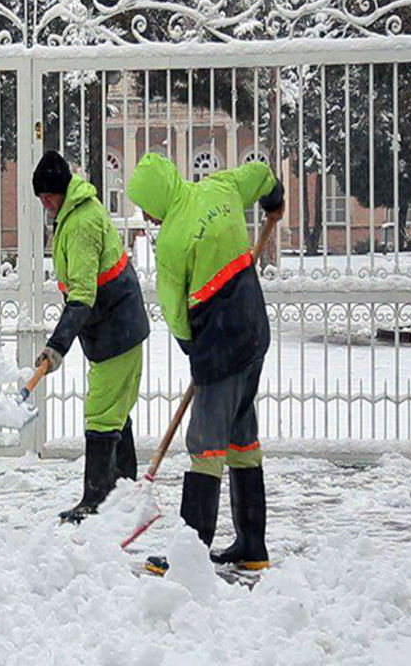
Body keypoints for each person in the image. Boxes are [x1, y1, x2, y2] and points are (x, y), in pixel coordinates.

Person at [126, 153, 284, 574]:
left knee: (206, 444)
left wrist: (192, 351)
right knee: (241, 435)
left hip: (220, 346)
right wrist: (274, 199)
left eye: (146, 206)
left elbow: (176, 313)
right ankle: (253, 545)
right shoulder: (220, 186)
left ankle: (189, 556)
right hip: (254, 332)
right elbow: (262, 175)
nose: (147, 216)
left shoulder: (174, 241)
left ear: (156, 198)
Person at [31, 151, 150, 523]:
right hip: (117, 326)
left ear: (63, 189)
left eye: (48, 196)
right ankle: (124, 492)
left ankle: (96, 501)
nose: (45, 203)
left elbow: (82, 294)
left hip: (116, 327)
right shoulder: (72, 213)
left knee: (101, 412)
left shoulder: (80, 222)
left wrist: (57, 346)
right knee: (115, 410)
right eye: (41, 198)